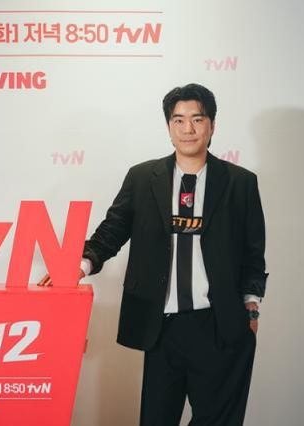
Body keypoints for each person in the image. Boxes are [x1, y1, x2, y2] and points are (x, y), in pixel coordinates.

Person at [39, 83, 268, 426]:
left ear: (212, 125)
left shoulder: (240, 182)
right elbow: (113, 230)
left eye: (197, 119)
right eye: (178, 120)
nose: (188, 129)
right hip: (161, 325)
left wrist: (251, 306)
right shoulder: (144, 177)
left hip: (219, 322)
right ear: (168, 127)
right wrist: (80, 265)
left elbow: (253, 250)